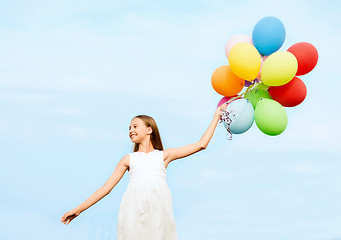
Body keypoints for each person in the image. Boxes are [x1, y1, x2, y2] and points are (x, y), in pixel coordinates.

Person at [61, 103, 227, 239]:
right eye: (129, 128)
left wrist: (216, 117)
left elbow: (201, 144)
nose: (130, 130)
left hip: (159, 216)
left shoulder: (163, 156)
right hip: (133, 215)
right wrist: (78, 209)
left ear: (149, 129)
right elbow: (105, 189)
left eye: (135, 126)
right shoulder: (128, 160)